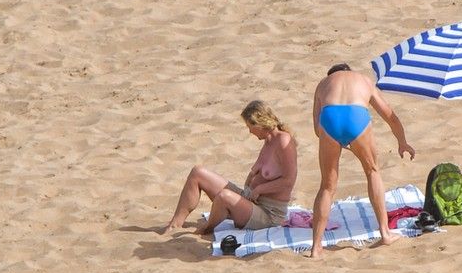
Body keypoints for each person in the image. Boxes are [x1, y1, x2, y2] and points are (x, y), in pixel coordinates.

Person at [310, 63, 415, 260]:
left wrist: (337, 142)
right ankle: (385, 233)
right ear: (349, 72)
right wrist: (402, 142)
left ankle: (316, 248)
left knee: (327, 186)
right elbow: (390, 115)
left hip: (329, 120)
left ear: (333, 75)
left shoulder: (323, 84)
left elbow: (317, 129)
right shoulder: (363, 80)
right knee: (372, 171)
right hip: (355, 116)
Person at [162, 100, 298, 238]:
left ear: (260, 122)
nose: (250, 131)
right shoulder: (268, 141)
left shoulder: (283, 140)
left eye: (250, 126)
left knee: (224, 196)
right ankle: (175, 224)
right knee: (197, 173)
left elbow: (289, 180)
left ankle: (205, 230)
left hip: (268, 213)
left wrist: (259, 190)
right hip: (249, 199)